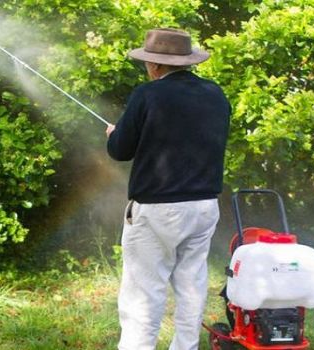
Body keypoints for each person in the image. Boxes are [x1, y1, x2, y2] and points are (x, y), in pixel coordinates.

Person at [106, 28, 231, 350]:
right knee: (191, 285)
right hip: (204, 206)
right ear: (187, 63)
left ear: (155, 66)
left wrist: (113, 134)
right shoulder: (215, 94)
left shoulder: (147, 94)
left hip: (157, 208)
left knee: (144, 292)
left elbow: (120, 151)